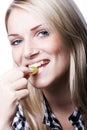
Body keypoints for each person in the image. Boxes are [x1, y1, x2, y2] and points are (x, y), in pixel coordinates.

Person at [0, 0, 87, 129]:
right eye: (17, 41)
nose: (28, 52)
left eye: (42, 33)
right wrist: (3, 123)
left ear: (71, 35)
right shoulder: (16, 113)